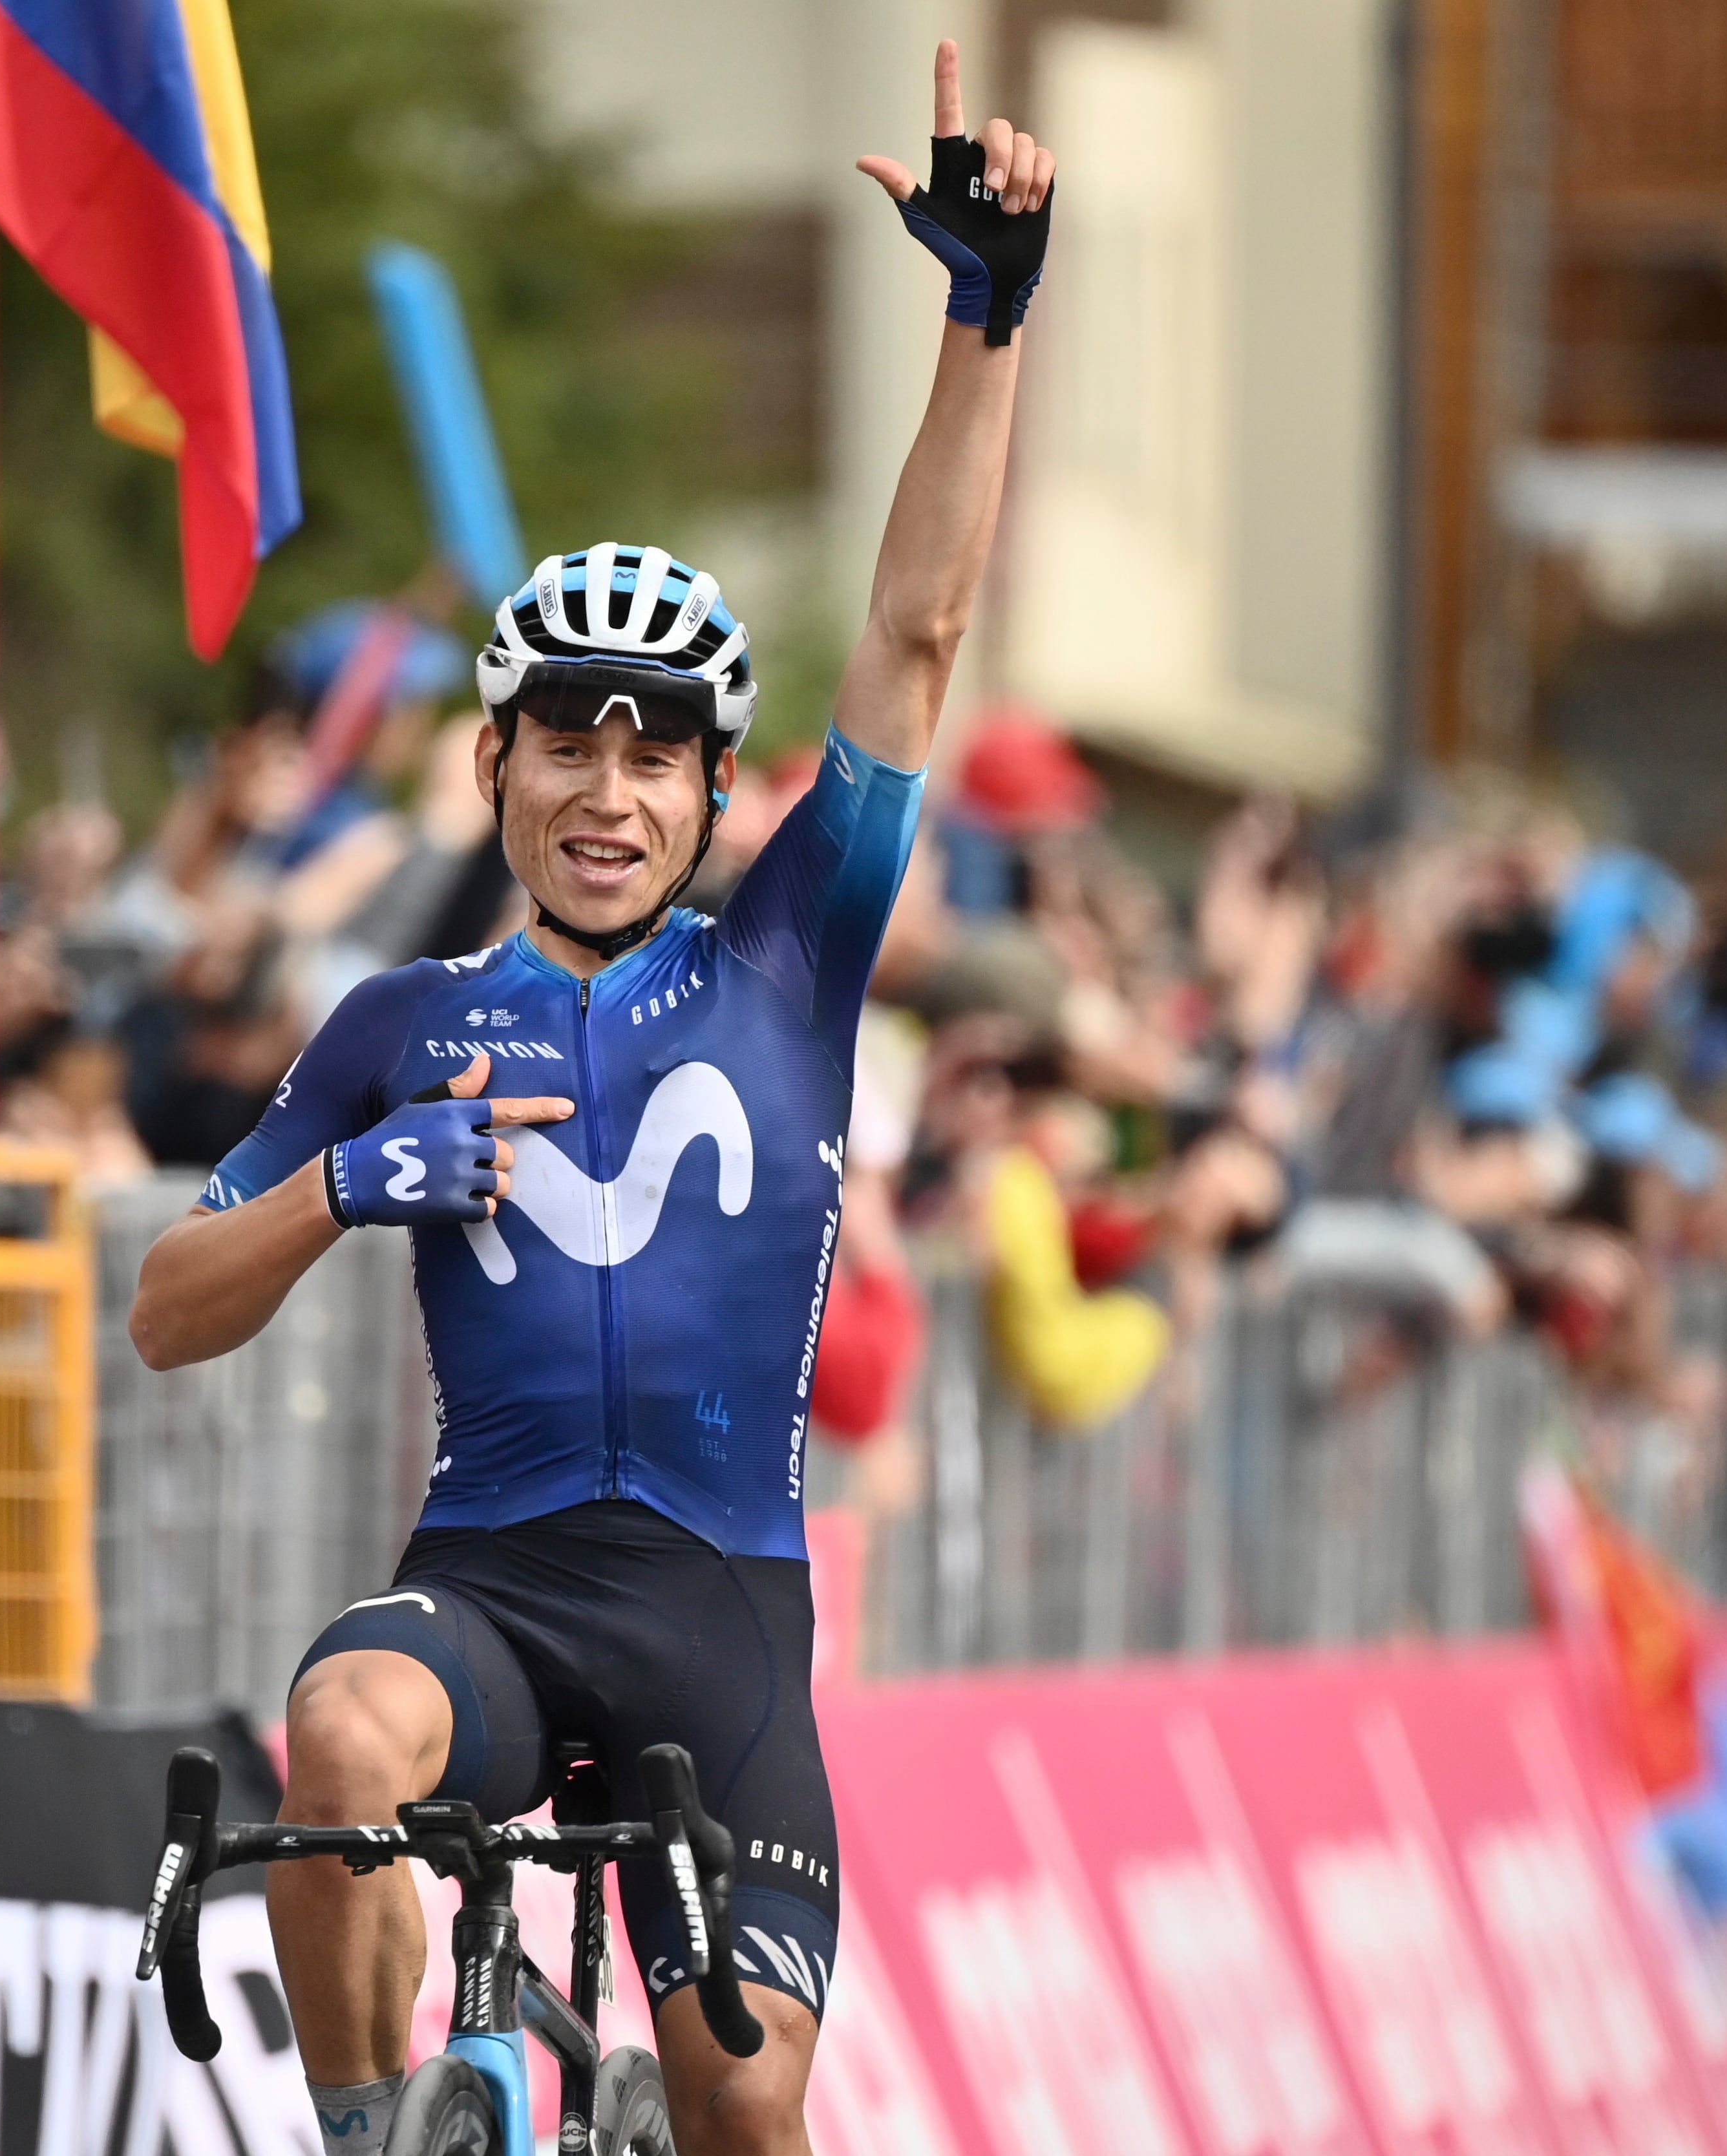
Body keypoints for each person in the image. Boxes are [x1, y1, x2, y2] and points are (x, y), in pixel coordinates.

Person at [127, 43, 1052, 2154]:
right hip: (500, 1589)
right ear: (499, 771)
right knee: (344, 1730)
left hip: (724, 1615)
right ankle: (382, 2141)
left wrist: (985, 320)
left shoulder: (791, 955)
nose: (610, 792)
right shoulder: (397, 1014)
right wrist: (353, 1184)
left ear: (719, 790)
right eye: (570, 746)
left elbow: (918, 630)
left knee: (744, 2111)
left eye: (656, 757)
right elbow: (167, 1305)